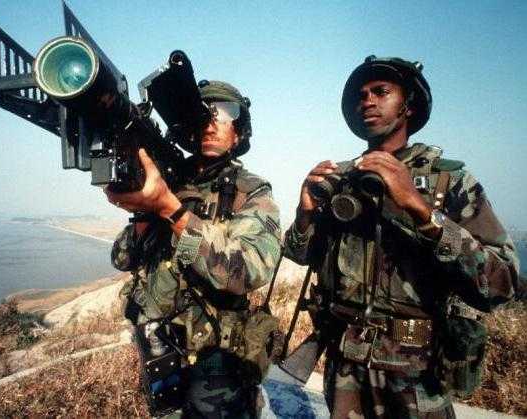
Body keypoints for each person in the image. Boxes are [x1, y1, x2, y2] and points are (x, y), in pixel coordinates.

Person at [284, 56, 519, 418]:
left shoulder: (448, 181)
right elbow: (301, 255)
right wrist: (304, 214)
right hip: (346, 367)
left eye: (381, 92)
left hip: (416, 373)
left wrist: (421, 210)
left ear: (408, 105)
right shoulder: (342, 179)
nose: (368, 101)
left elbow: (503, 283)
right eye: (362, 95)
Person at [107, 80, 282, 418]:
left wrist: (172, 212)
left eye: (225, 114)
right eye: (203, 114)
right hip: (158, 345)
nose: (212, 124)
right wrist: (145, 214)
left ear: (239, 134)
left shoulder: (251, 192)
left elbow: (247, 271)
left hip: (215, 358)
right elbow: (122, 258)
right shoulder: (168, 182)